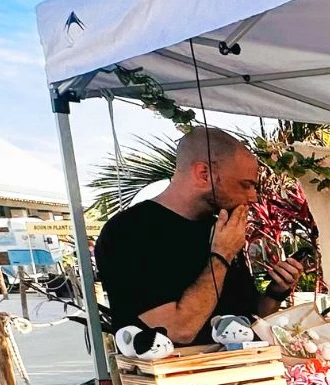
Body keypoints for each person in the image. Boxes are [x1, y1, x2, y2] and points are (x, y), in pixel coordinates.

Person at [94, 127, 297, 344]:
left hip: (243, 370)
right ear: (203, 174)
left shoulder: (217, 226)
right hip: (184, 374)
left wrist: (275, 293)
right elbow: (178, 331)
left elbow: (245, 321)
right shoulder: (129, 231)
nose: (253, 197)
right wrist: (221, 255)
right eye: (246, 184)